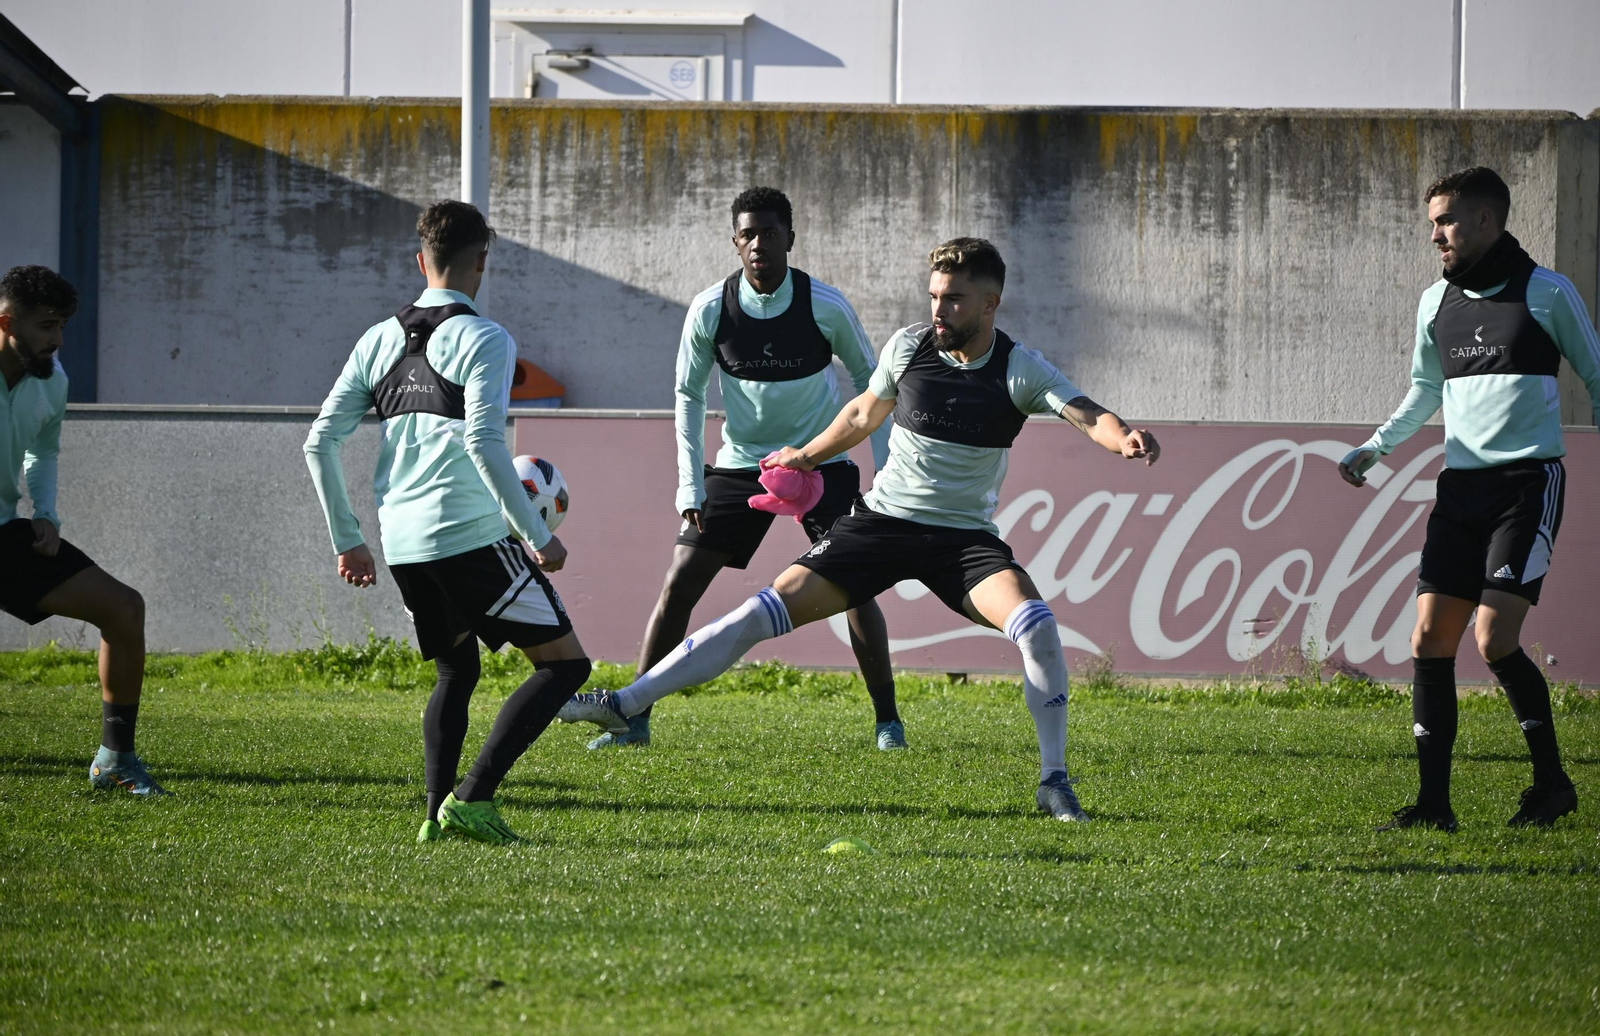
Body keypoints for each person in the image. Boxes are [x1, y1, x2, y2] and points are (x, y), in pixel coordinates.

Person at [560, 238, 1161, 821]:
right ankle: (624, 704)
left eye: (953, 299)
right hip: (880, 523)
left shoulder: (1018, 368)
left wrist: (1123, 436)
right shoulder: (908, 348)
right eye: (934, 296)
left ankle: (1054, 783)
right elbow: (859, 413)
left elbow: (1084, 412)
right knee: (757, 614)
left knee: (1037, 627)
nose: (939, 310)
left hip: (961, 541)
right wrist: (808, 455)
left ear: (989, 304)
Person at [304, 200, 591, 844]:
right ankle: (472, 798)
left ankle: (436, 815)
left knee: (457, 671)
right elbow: (486, 444)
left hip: (401, 541)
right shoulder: (485, 338)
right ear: (481, 264)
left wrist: (348, 539)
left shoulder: (376, 340)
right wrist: (537, 537)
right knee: (566, 667)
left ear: (421, 260)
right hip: (467, 535)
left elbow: (319, 442)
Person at [593, 186, 903, 751]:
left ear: (790, 236)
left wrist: (882, 479)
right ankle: (633, 719)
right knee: (679, 582)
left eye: (769, 232)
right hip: (741, 468)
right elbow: (686, 395)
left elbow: (874, 385)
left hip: (820, 464)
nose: (758, 243)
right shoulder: (711, 308)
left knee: (857, 589)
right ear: (735, 242)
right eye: (747, 234)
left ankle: (888, 722)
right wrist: (690, 483)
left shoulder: (825, 305)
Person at [1339, 166, 1600, 831]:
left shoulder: (1548, 292)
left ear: (1487, 220)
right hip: (1460, 489)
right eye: (1432, 221)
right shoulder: (1435, 303)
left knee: (1492, 638)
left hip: (1526, 486)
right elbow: (1425, 390)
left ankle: (1551, 784)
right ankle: (1433, 807)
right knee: (1429, 639)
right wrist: (1374, 448)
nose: (1436, 235)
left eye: (1447, 220)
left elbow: (1597, 377)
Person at [0, 266, 167, 796]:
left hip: (6, 531)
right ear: (7, 322)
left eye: (63, 326)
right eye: (47, 326)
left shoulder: (54, 380)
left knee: (124, 607)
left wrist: (46, 513)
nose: (57, 340)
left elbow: (42, 450)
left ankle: (116, 761)